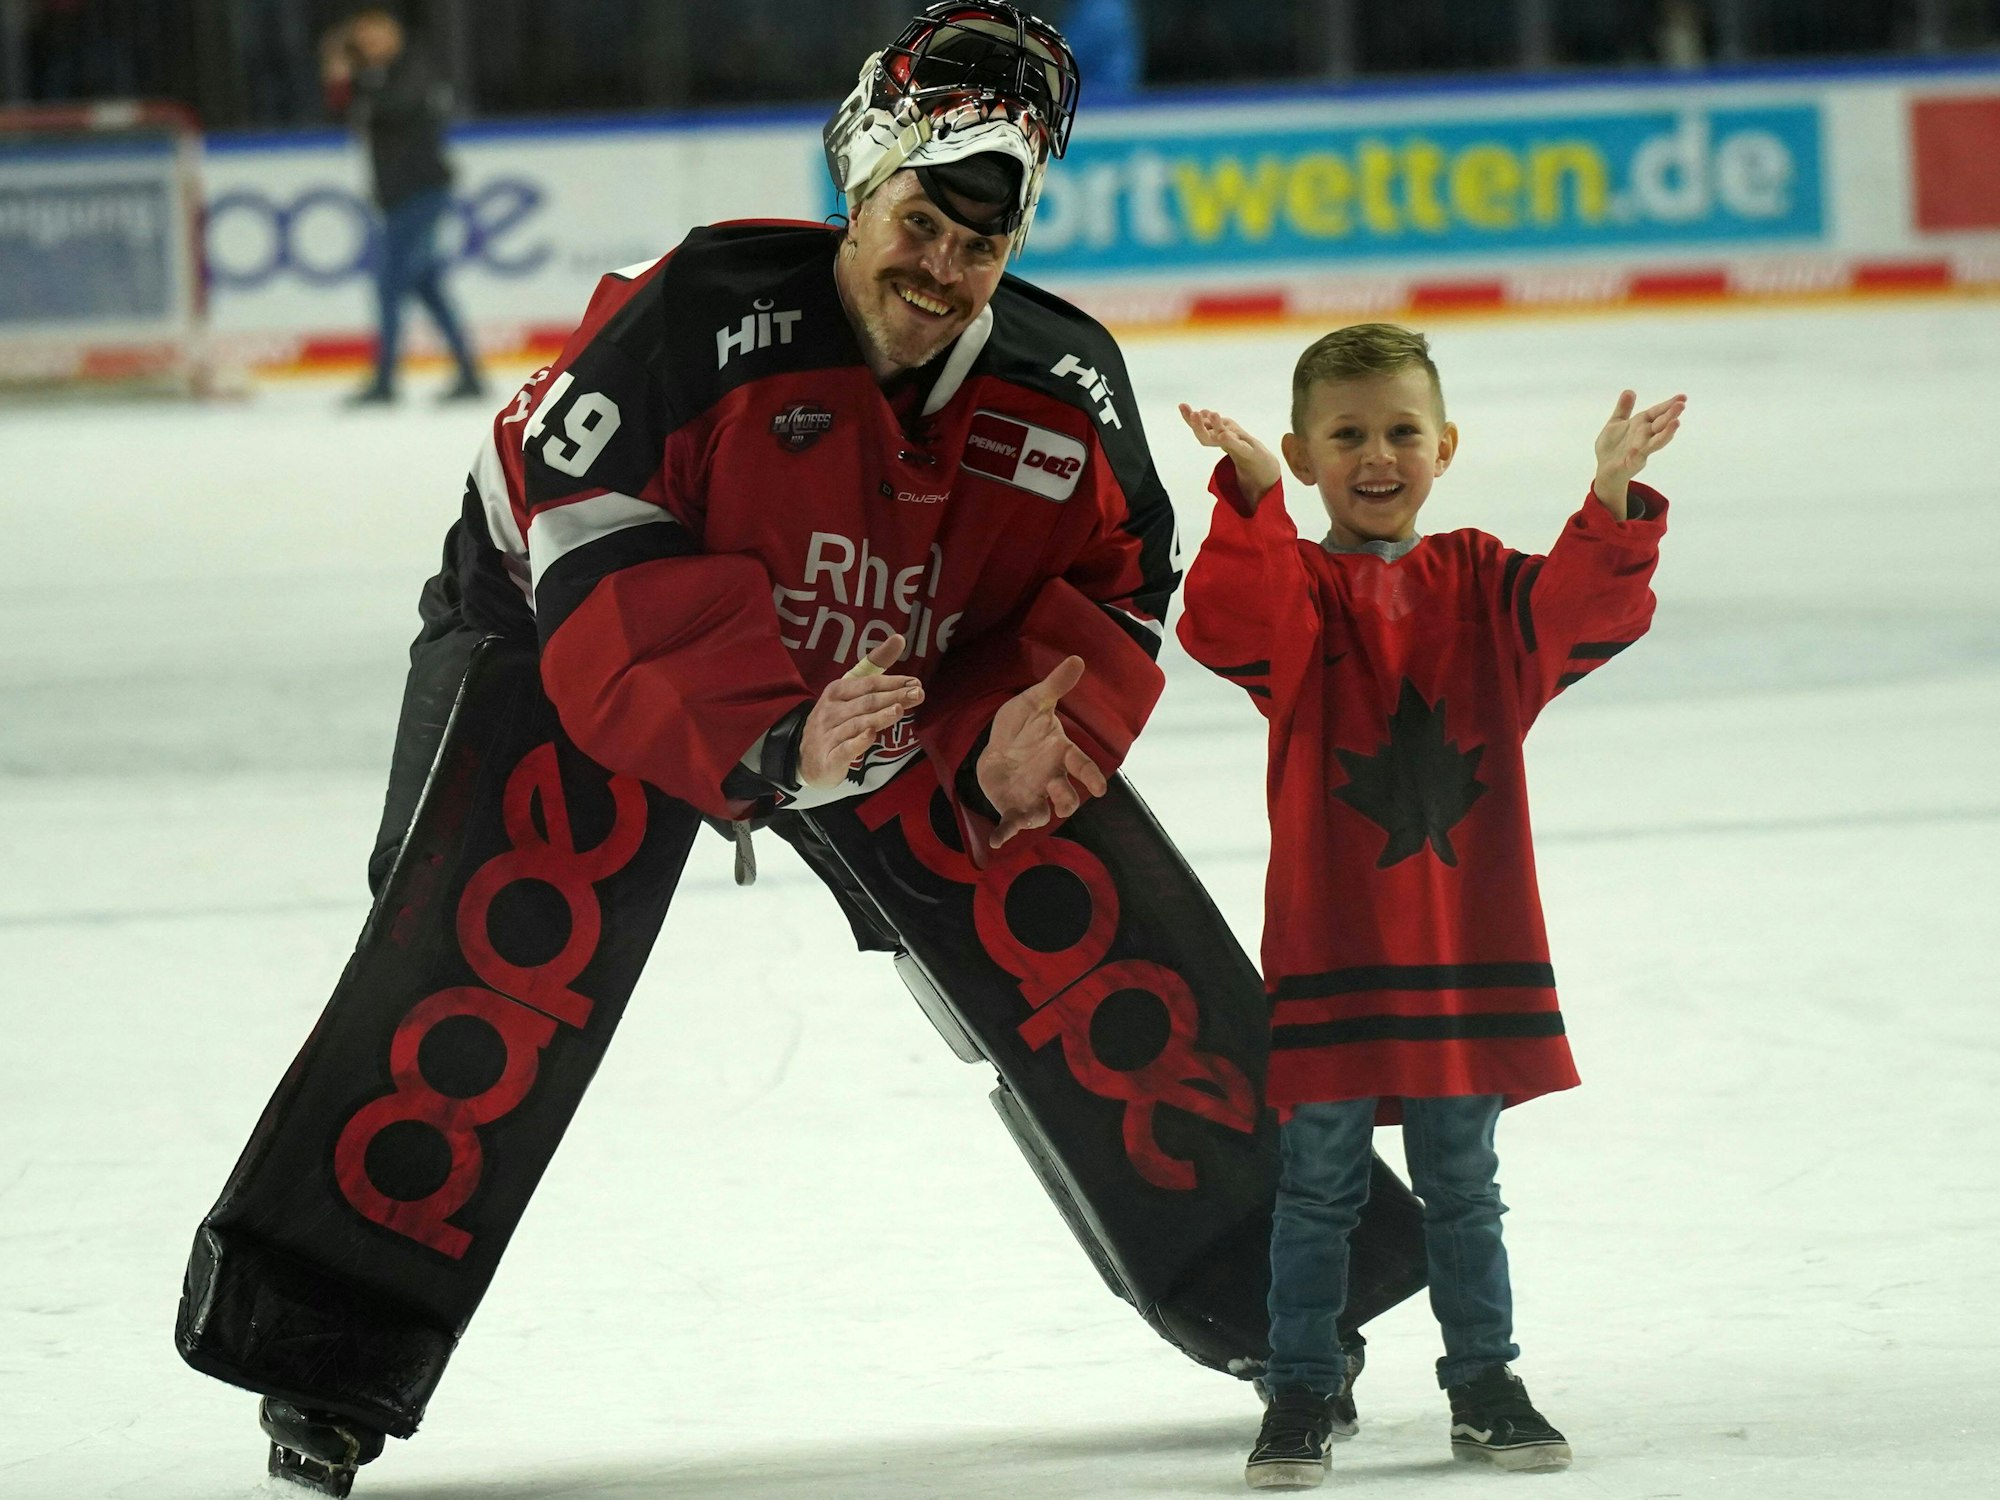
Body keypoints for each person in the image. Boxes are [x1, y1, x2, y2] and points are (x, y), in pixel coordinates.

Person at [231, 5, 1182, 1489]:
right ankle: (322, 1363)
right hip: (554, 632)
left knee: (1061, 918)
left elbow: (1121, 582)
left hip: (875, 672)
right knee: (473, 964)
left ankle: (1275, 1271)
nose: (942, 270)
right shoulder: (692, 312)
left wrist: (1017, 732)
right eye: (920, 224)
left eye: (980, 245)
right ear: (858, 192)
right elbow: (594, 549)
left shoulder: (1066, 390)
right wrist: (773, 743)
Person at [1175, 323, 1682, 1489]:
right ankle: (1300, 1386)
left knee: (1462, 1182)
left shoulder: (1480, 583)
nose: (1376, 456)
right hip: (1333, 943)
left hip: (1464, 943)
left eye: (1401, 431)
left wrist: (1609, 497)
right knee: (1316, 1186)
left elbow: (1580, 609)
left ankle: (1485, 1382)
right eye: (1345, 435)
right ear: (1303, 455)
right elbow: (1228, 617)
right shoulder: (1298, 592)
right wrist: (1247, 499)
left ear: (1444, 446)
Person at [320, 6, 484, 404]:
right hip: (399, 196)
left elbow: (392, 108)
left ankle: (384, 381)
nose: (370, 44)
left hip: (421, 192)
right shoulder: (374, 78)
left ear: (394, 35)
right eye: (363, 39)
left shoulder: (413, 68)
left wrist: (357, 81)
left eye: (376, 35)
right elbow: (342, 114)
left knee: (389, 284)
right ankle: (468, 374)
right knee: (427, 286)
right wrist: (340, 78)